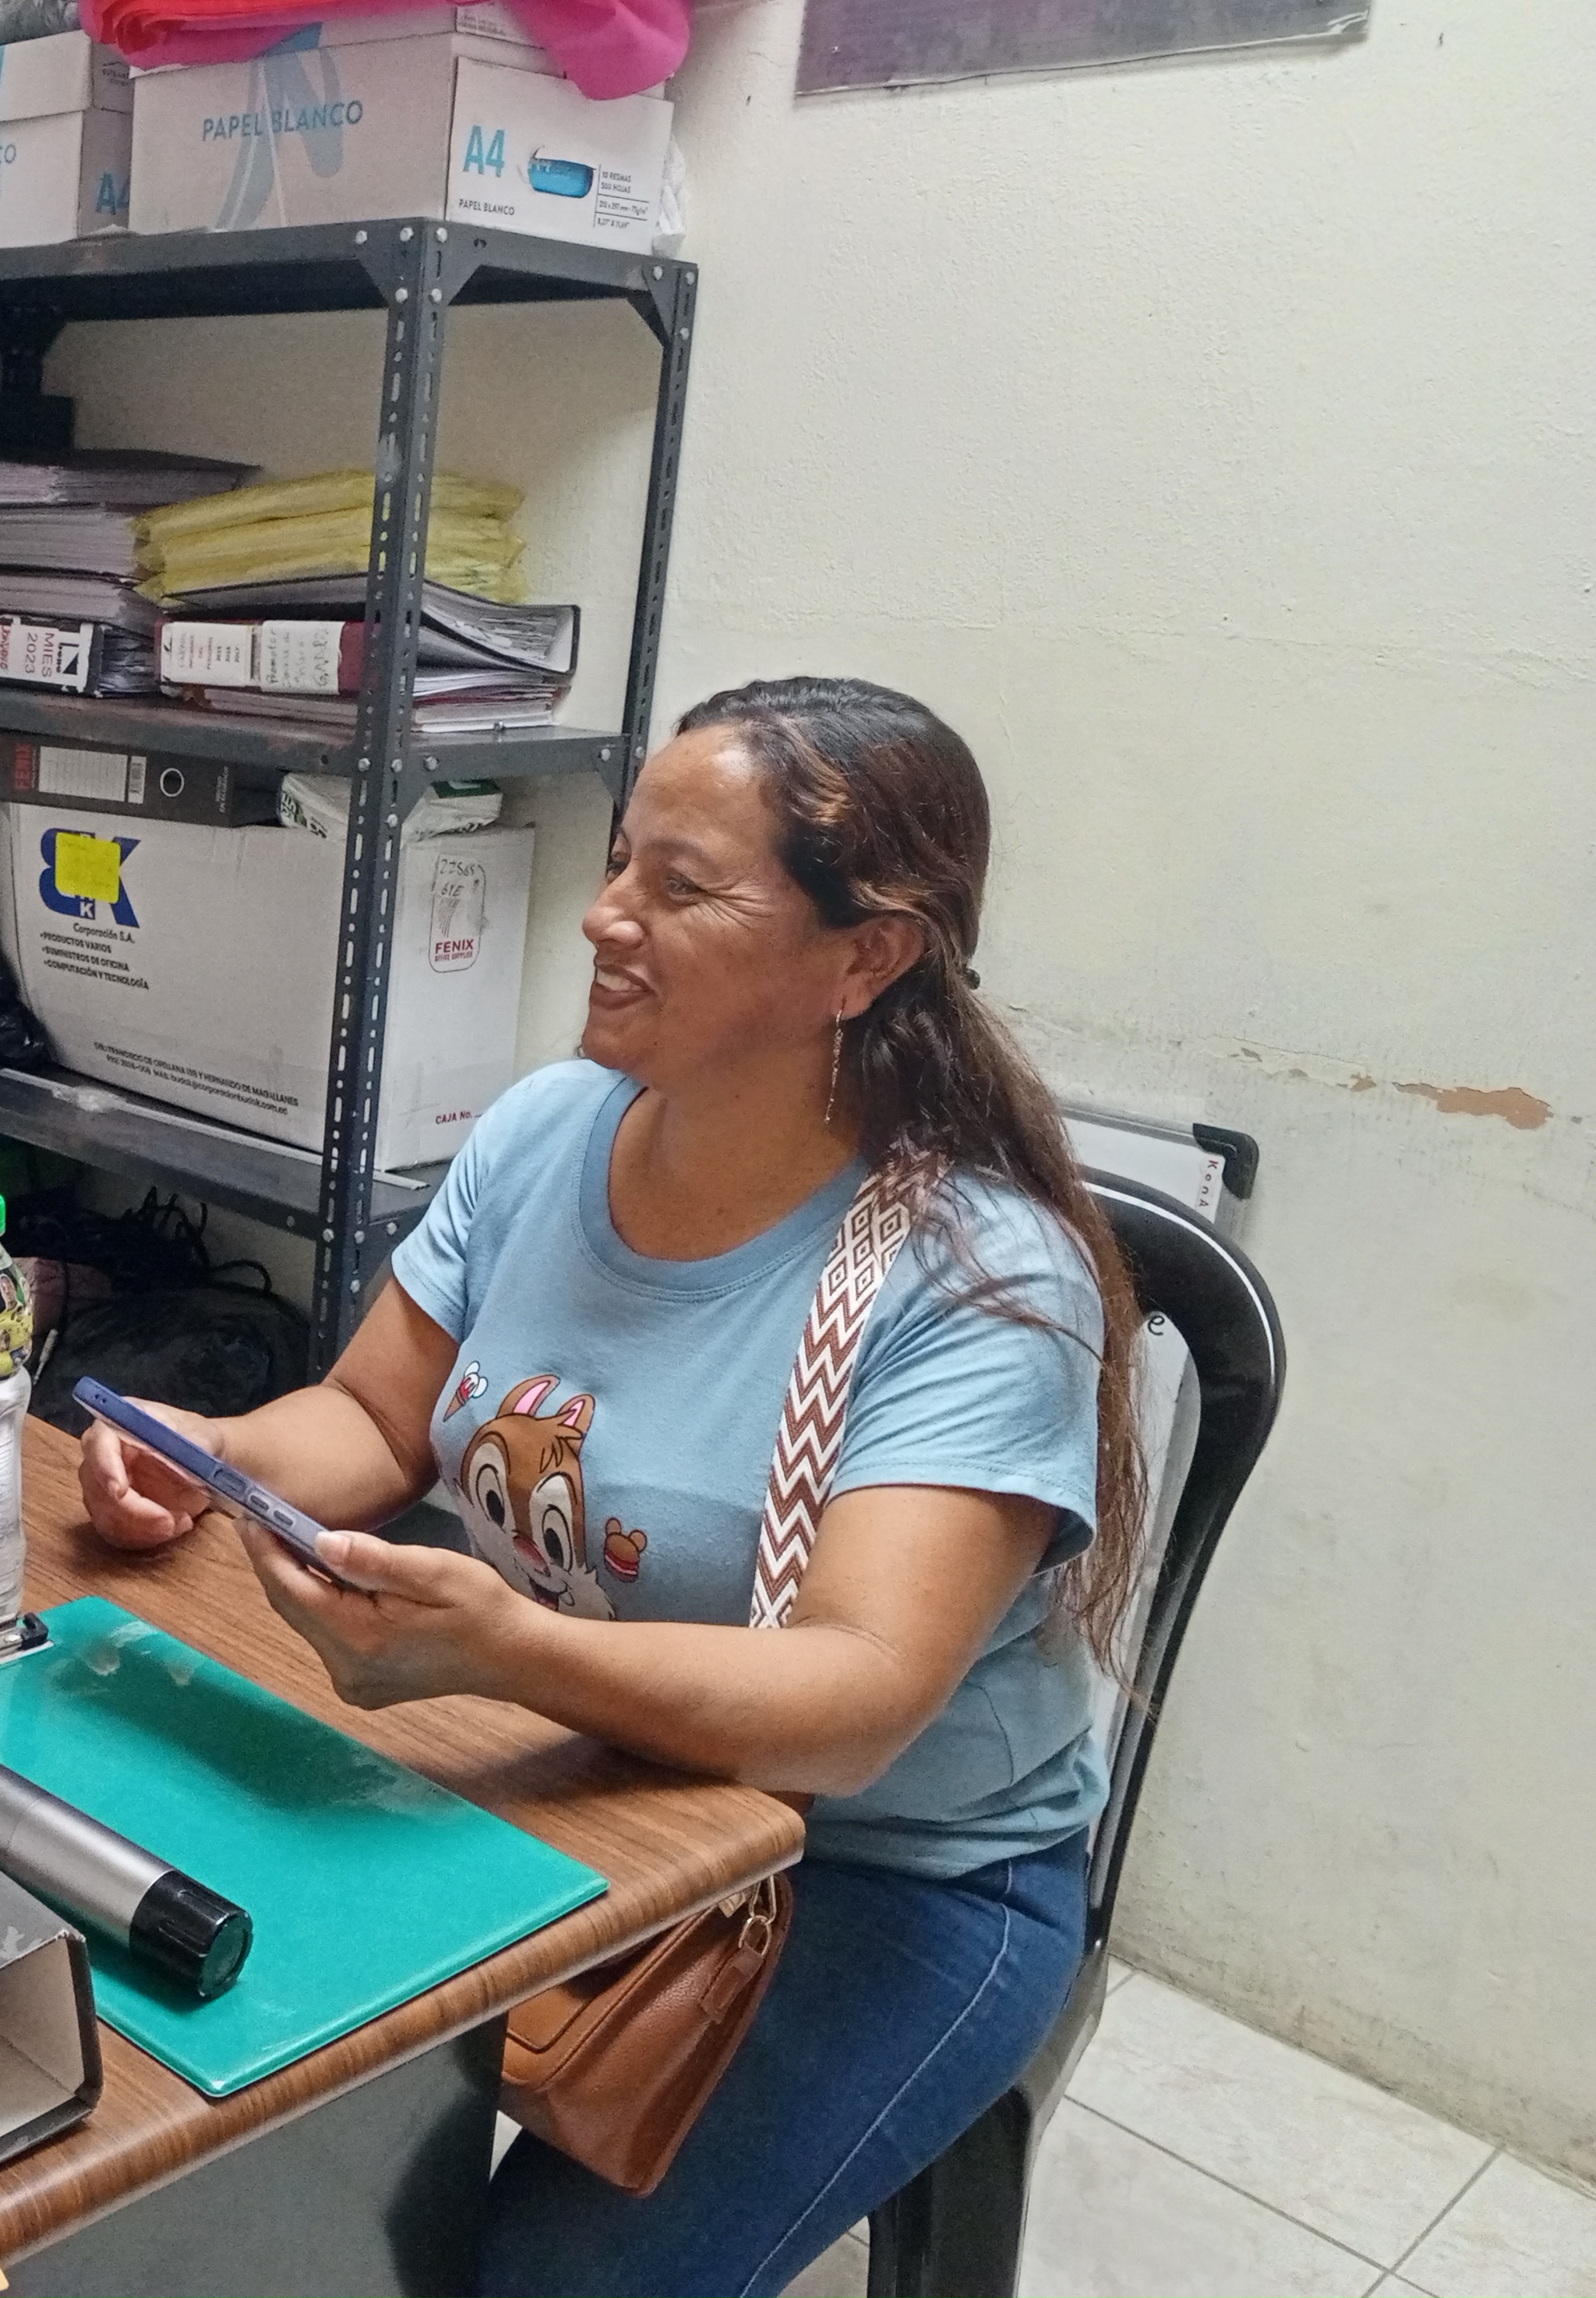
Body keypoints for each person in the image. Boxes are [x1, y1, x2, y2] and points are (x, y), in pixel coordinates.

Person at [78, 677, 1144, 2298]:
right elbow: (372, 1419)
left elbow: (854, 1704)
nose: (603, 916)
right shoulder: (546, 1131)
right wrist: (212, 1454)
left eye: (682, 885)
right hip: (590, 1772)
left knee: (540, 2283)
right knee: (225, 2102)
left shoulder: (979, 1282)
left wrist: (507, 1650)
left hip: (877, 1876)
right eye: (620, 861)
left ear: (864, 958)